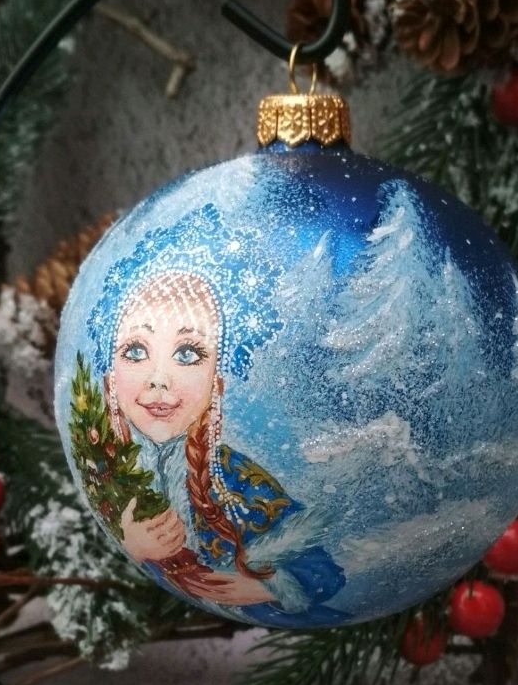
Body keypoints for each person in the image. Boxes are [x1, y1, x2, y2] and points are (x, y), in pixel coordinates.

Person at [82, 203, 348, 627]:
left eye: (187, 354)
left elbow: (325, 570)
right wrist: (135, 546)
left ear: (216, 386)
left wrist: (267, 587)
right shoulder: (104, 467)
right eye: (135, 351)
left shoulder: (234, 479)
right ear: (110, 379)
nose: (159, 380)